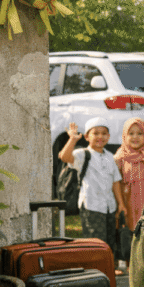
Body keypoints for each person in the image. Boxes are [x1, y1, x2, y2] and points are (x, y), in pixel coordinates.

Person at [58, 117, 126, 275]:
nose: (100, 137)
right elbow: (64, 157)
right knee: (95, 238)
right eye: (95, 133)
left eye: (104, 133)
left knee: (110, 237)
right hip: (92, 204)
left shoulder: (110, 156)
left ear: (108, 137)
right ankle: (96, 268)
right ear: (87, 136)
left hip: (109, 205)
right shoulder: (83, 154)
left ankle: (110, 267)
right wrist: (72, 140)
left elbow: (115, 181)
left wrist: (120, 204)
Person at [114, 117, 144, 268]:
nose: (135, 137)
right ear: (124, 136)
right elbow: (115, 179)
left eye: (140, 133)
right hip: (128, 200)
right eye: (131, 133)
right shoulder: (121, 156)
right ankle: (130, 264)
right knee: (129, 231)